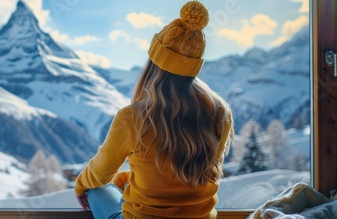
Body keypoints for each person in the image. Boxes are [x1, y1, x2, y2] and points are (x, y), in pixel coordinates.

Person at [74, 1, 235, 218]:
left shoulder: (133, 116)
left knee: (95, 189)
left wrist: (80, 185)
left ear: (153, 63)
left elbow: (100, 173)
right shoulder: (220, 112)